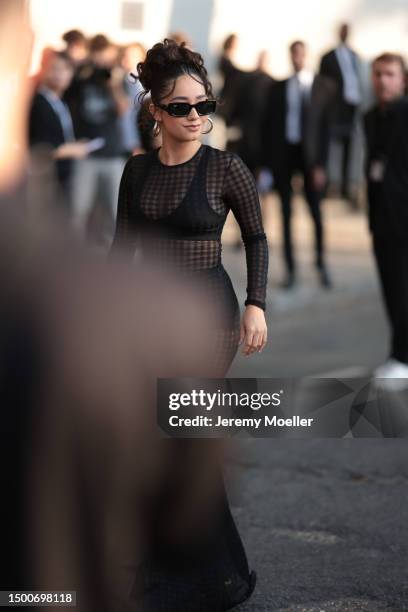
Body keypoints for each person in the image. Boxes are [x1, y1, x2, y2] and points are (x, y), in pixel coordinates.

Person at [111, 38, 268, 611]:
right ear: (155, 109)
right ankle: (213, 576)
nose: (197, 117)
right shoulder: (135, 172)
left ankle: (205, 580)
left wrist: (256, 304)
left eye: (205, 105)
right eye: (182, 107)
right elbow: (121, 253)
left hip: (210, 319)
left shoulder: (226, 166)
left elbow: (255, 235)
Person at [262, 40, 335, 288]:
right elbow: (269, 126)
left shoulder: (324, 87)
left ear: (307, 56)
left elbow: (327, 130)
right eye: (293, 54)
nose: (297, 58)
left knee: (315, 211)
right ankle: (290, 270)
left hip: (311, 159)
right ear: (290, 56)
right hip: (285, 154)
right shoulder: (279, 87)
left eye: (301, 54)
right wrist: (267, 162)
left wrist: (321, 165)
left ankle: (321, 263)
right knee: (286, 213)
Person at [363, 53, 408, 384]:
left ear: (403, 80)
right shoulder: (370, 118)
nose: (383, 80)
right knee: (392, 289)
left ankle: (401, 358)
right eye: (378, 74)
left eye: (390, 74)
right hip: (381, 218)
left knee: (403, 290)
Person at [66, 34, 129, 242]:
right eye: (98, 54)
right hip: (85, 153)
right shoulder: (83, 76)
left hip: (112, 154)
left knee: (114, 211)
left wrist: (114, 86)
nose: (102, 60)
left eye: (105, 55)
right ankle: (74, 255)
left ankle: (111, 258)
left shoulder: (117, 78)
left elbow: (122, 110)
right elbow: (67, 103)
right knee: (78, 210)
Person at [28, 51, 89, 209]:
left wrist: (75, 144)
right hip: (45, 181)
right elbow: (38, 146)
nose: (60, 74)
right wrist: (73, 149)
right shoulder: (37, 102)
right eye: (55, 68)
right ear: (44, 69)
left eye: (66, 69)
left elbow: (58, 138)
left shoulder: (61, 102)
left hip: (63, 178)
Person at [319, 23, 362, 204]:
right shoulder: (329, 56)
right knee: (329, 148)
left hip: (349, 109)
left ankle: (345, 186)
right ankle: (327, 185)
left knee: (348, 148)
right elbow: (323, 82)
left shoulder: (354, 56)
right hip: (334, 109)